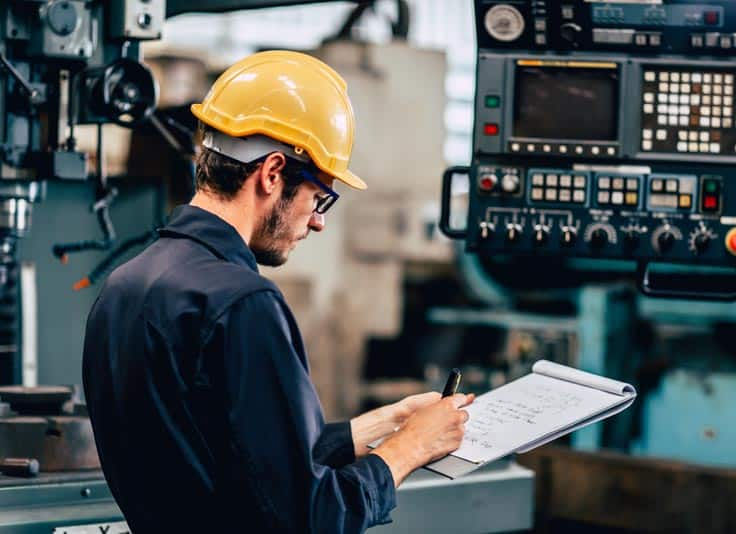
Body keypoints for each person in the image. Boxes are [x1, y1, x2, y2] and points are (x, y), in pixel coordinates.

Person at [82, 50, 474, 533]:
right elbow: (307, 516)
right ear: (270, 173)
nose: (319, 220)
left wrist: (376, 429)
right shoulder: (243, 303)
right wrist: (410, 448)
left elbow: (227, 459)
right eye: (319, 196)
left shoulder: (124, 286)